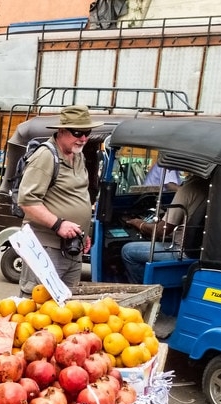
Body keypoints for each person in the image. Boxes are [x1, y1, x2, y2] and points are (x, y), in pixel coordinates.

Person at [16, 104, 103, 297]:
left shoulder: (77, 155)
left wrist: (82, 234)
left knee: (67, 305)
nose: (83, 138)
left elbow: (74, 195)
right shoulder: (46, 156)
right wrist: (58, 224)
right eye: (77, 132)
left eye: (87, 132)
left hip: (72, 247)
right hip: (46, 249)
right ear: (61, 131)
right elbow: (27, 200)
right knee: (37, 305)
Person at [121, 174, 209, 284]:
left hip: (181, 252)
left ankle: (144, 288)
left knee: (127, 251)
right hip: (203, 252)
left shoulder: (189, 189)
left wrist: (138, 223)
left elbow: (161, 230)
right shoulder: (214, 186)